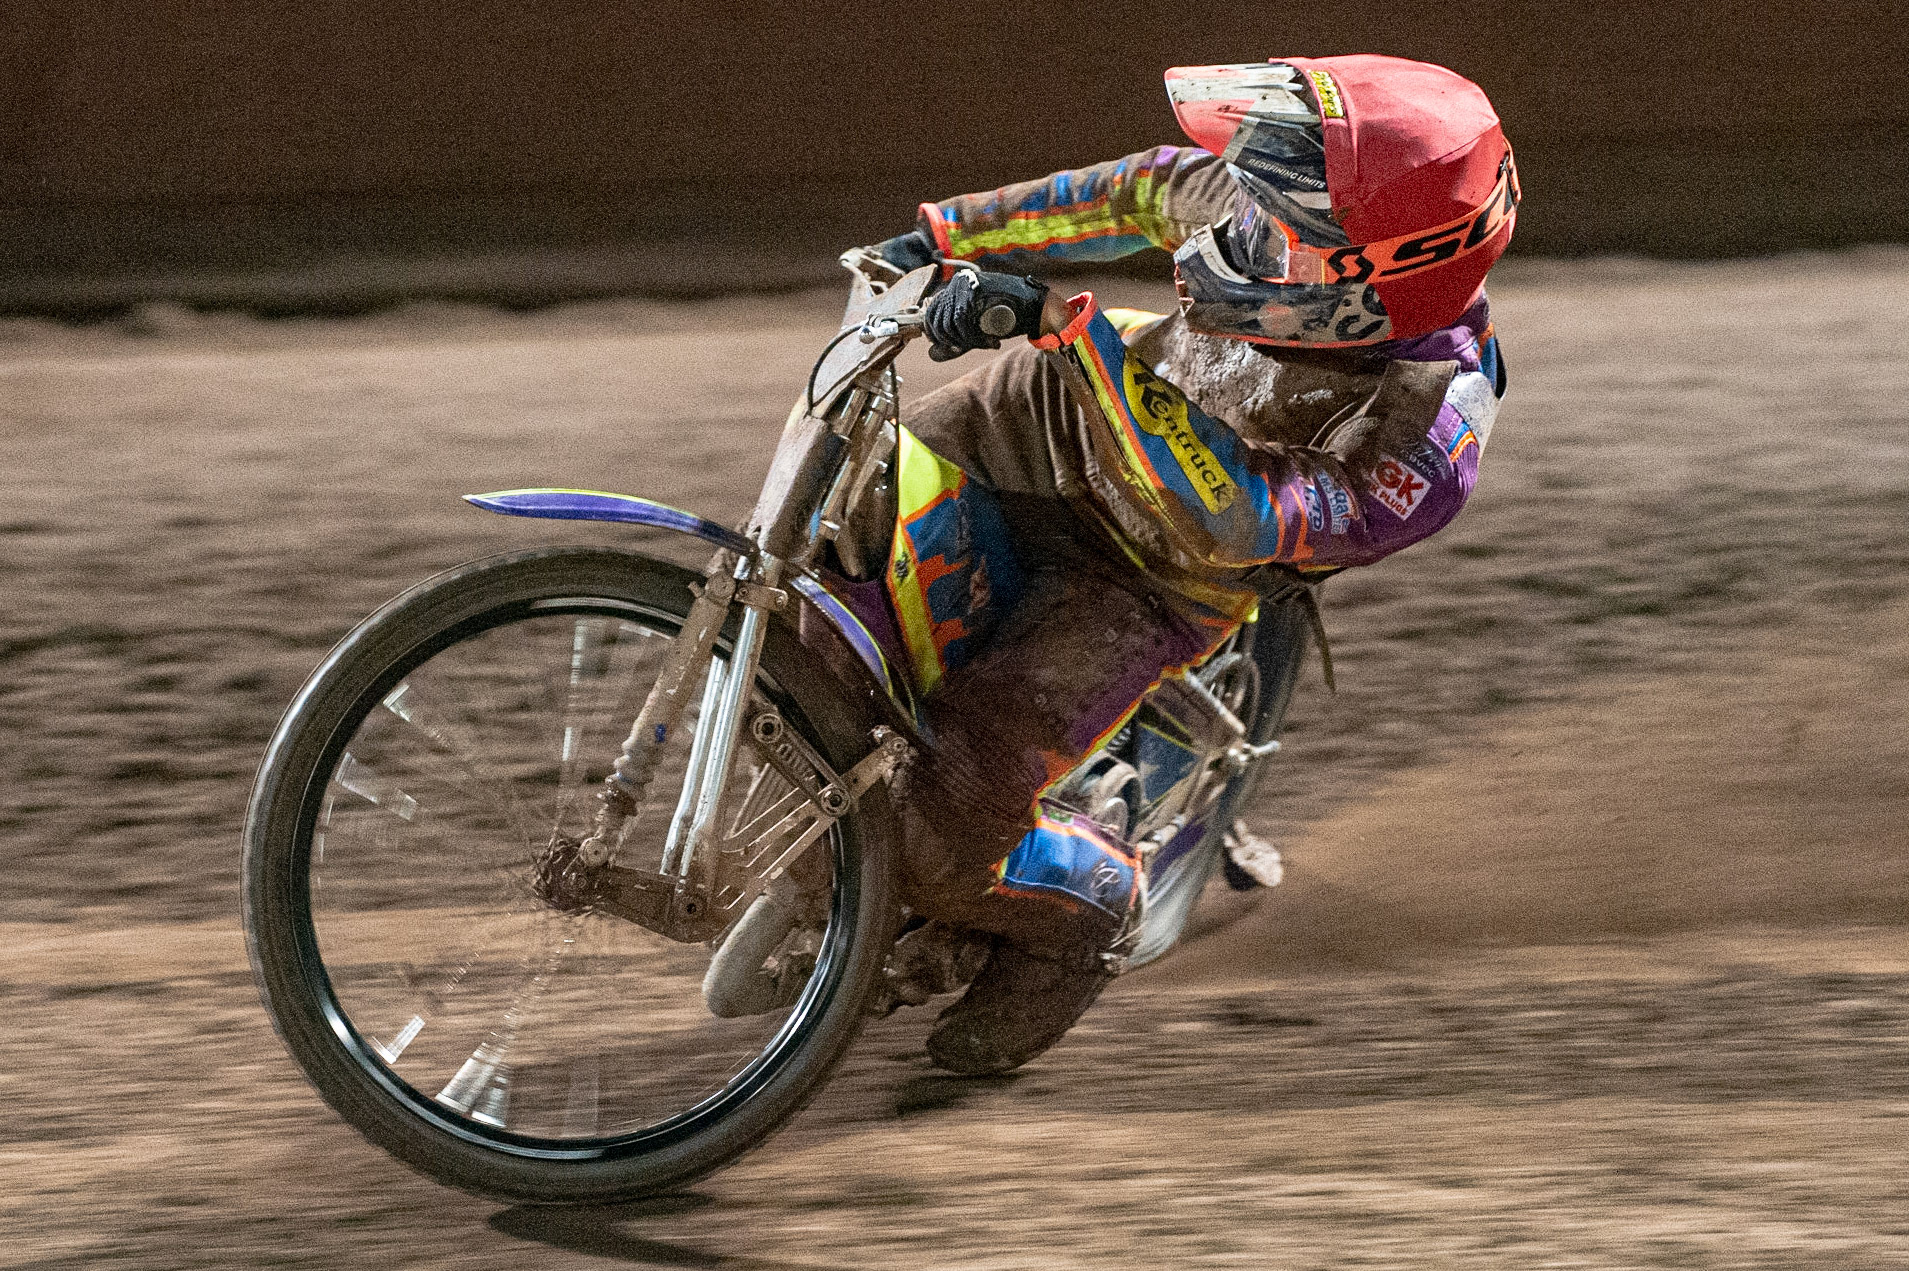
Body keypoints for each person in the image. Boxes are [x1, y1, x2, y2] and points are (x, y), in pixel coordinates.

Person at [860, 54, 1516, 1073]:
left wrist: (1062, 330)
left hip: (1146, 576)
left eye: (1270, 233)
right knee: (835, 548)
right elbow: (1141, 189)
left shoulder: (1426, 433)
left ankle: (1082, 915)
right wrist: (944, 236)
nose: (1231, 232)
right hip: (1038, 416)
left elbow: (1239, 515)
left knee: (946, 812)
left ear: (1358, 279)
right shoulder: (1282, 213)